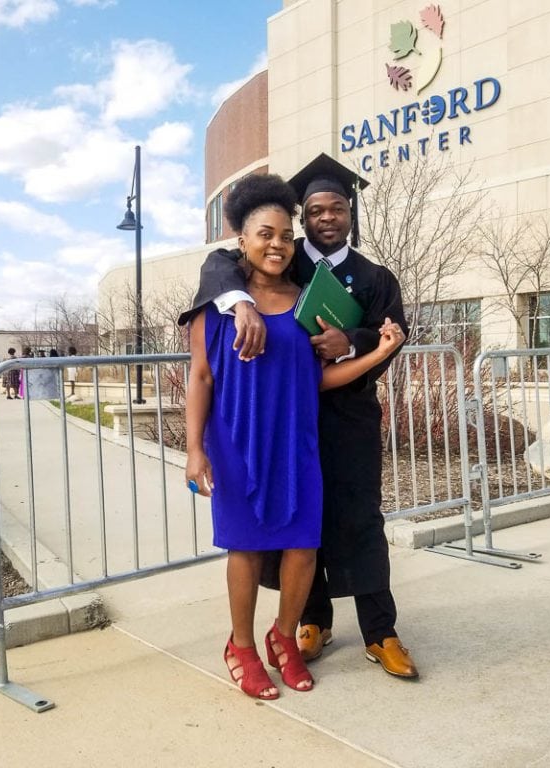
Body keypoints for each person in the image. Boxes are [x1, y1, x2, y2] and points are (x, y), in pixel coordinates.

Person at [179, 153, 417, 680]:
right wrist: (240, 302)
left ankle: (380, 630)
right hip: (268, 428)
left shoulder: (374, 276)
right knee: (283, 538)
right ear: (301, 219)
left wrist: (352, 342)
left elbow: (391, 333)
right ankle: (309, 624)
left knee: (354, 523)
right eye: (313, 211)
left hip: (343, 422)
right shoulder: (278, 268)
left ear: (351, 213)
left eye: (336, 208)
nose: (324, 219)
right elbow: (217, 269)